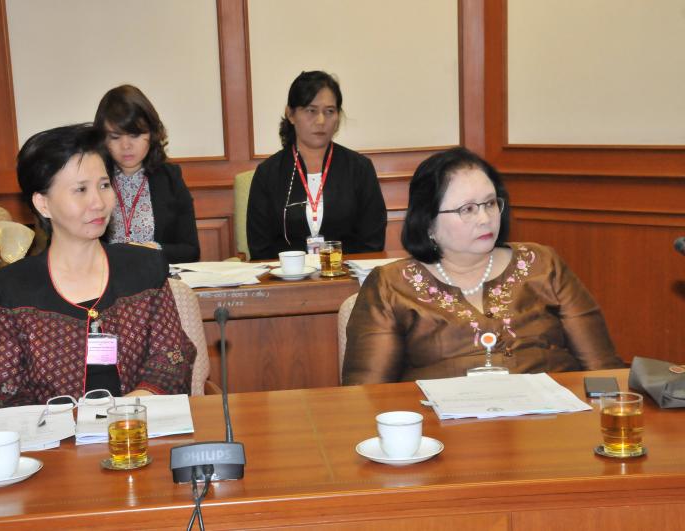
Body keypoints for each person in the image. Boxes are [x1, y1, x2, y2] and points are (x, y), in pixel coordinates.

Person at [343, 147, 624, 384]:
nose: (485, 218)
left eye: (490, 204)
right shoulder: (391, 286)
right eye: (467, 209)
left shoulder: (542, 264)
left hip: (552, 422)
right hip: (441, 428)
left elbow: (603, 370)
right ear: (428, 223)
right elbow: (367, 396)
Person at [0, 124, 197, 409]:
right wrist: (70, 422)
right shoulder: (14, 289)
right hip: (52, 434)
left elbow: (172, 361)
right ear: (43, 204)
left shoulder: (145, 269)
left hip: (137, 426)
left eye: (104, 186)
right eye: (80, 190)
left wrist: (120, 415)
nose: (98, 203)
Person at [246, 71, 386, 260]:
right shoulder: (268, 173)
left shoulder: (359, 169)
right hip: (287, 275)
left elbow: (373, 241)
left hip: (347, 273)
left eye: (329, 111)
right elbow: (259, 247)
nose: (321, 121)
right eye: (311, 111)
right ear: (291, 114)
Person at [94, 84, 200, 263]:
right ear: (102, 139)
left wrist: (153, 250)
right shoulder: (93, 181)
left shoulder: (170, 178)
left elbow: (190, 251)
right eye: (115, 137)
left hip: (157, 274)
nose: (126, 146)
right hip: (107, 276)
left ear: (152, 134)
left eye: (134, 135)